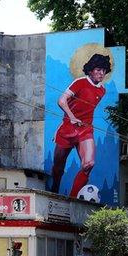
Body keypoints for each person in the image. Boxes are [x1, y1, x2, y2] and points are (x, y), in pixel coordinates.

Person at [50, 53, 111, 196]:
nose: (101, 73)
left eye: (103, 70)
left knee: (89, 164)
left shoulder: (102, 90)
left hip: (85, 130)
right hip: (67, 129)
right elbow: (62, 100)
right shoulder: (80, 82)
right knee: (58, 167)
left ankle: (73, 198)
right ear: (90, 70)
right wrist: (71, 117)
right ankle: (55, 189)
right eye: (98, 70)